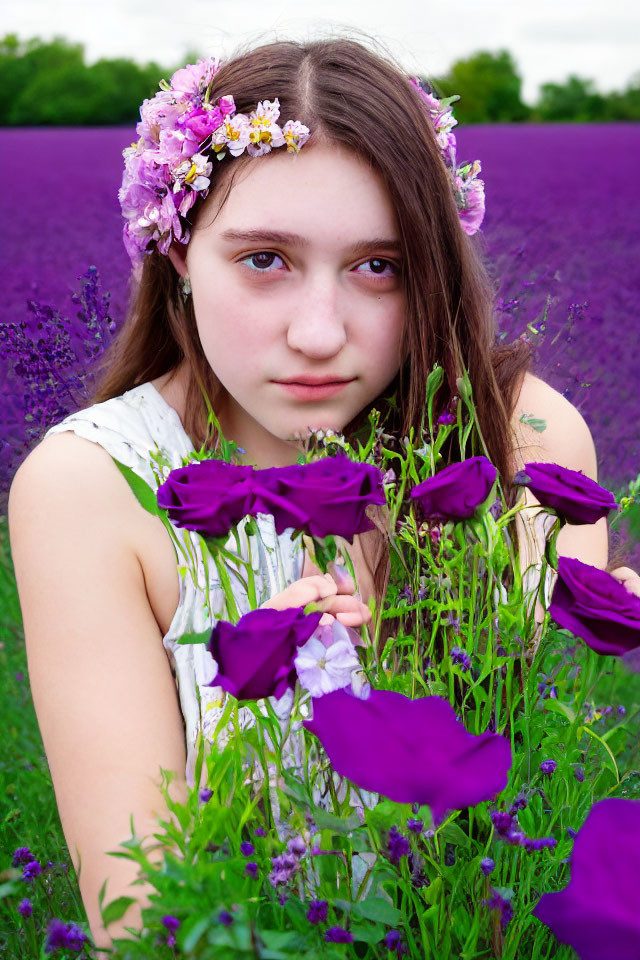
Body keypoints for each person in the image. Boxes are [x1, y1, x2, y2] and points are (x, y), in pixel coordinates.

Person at [8, 34, 639, 953]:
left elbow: (546, 814)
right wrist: (259, 706)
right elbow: (139, 923)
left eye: (377, 266)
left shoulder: (518, 443)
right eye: (265, 258)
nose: (317, 333)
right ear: (178, 250)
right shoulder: (92, 488)